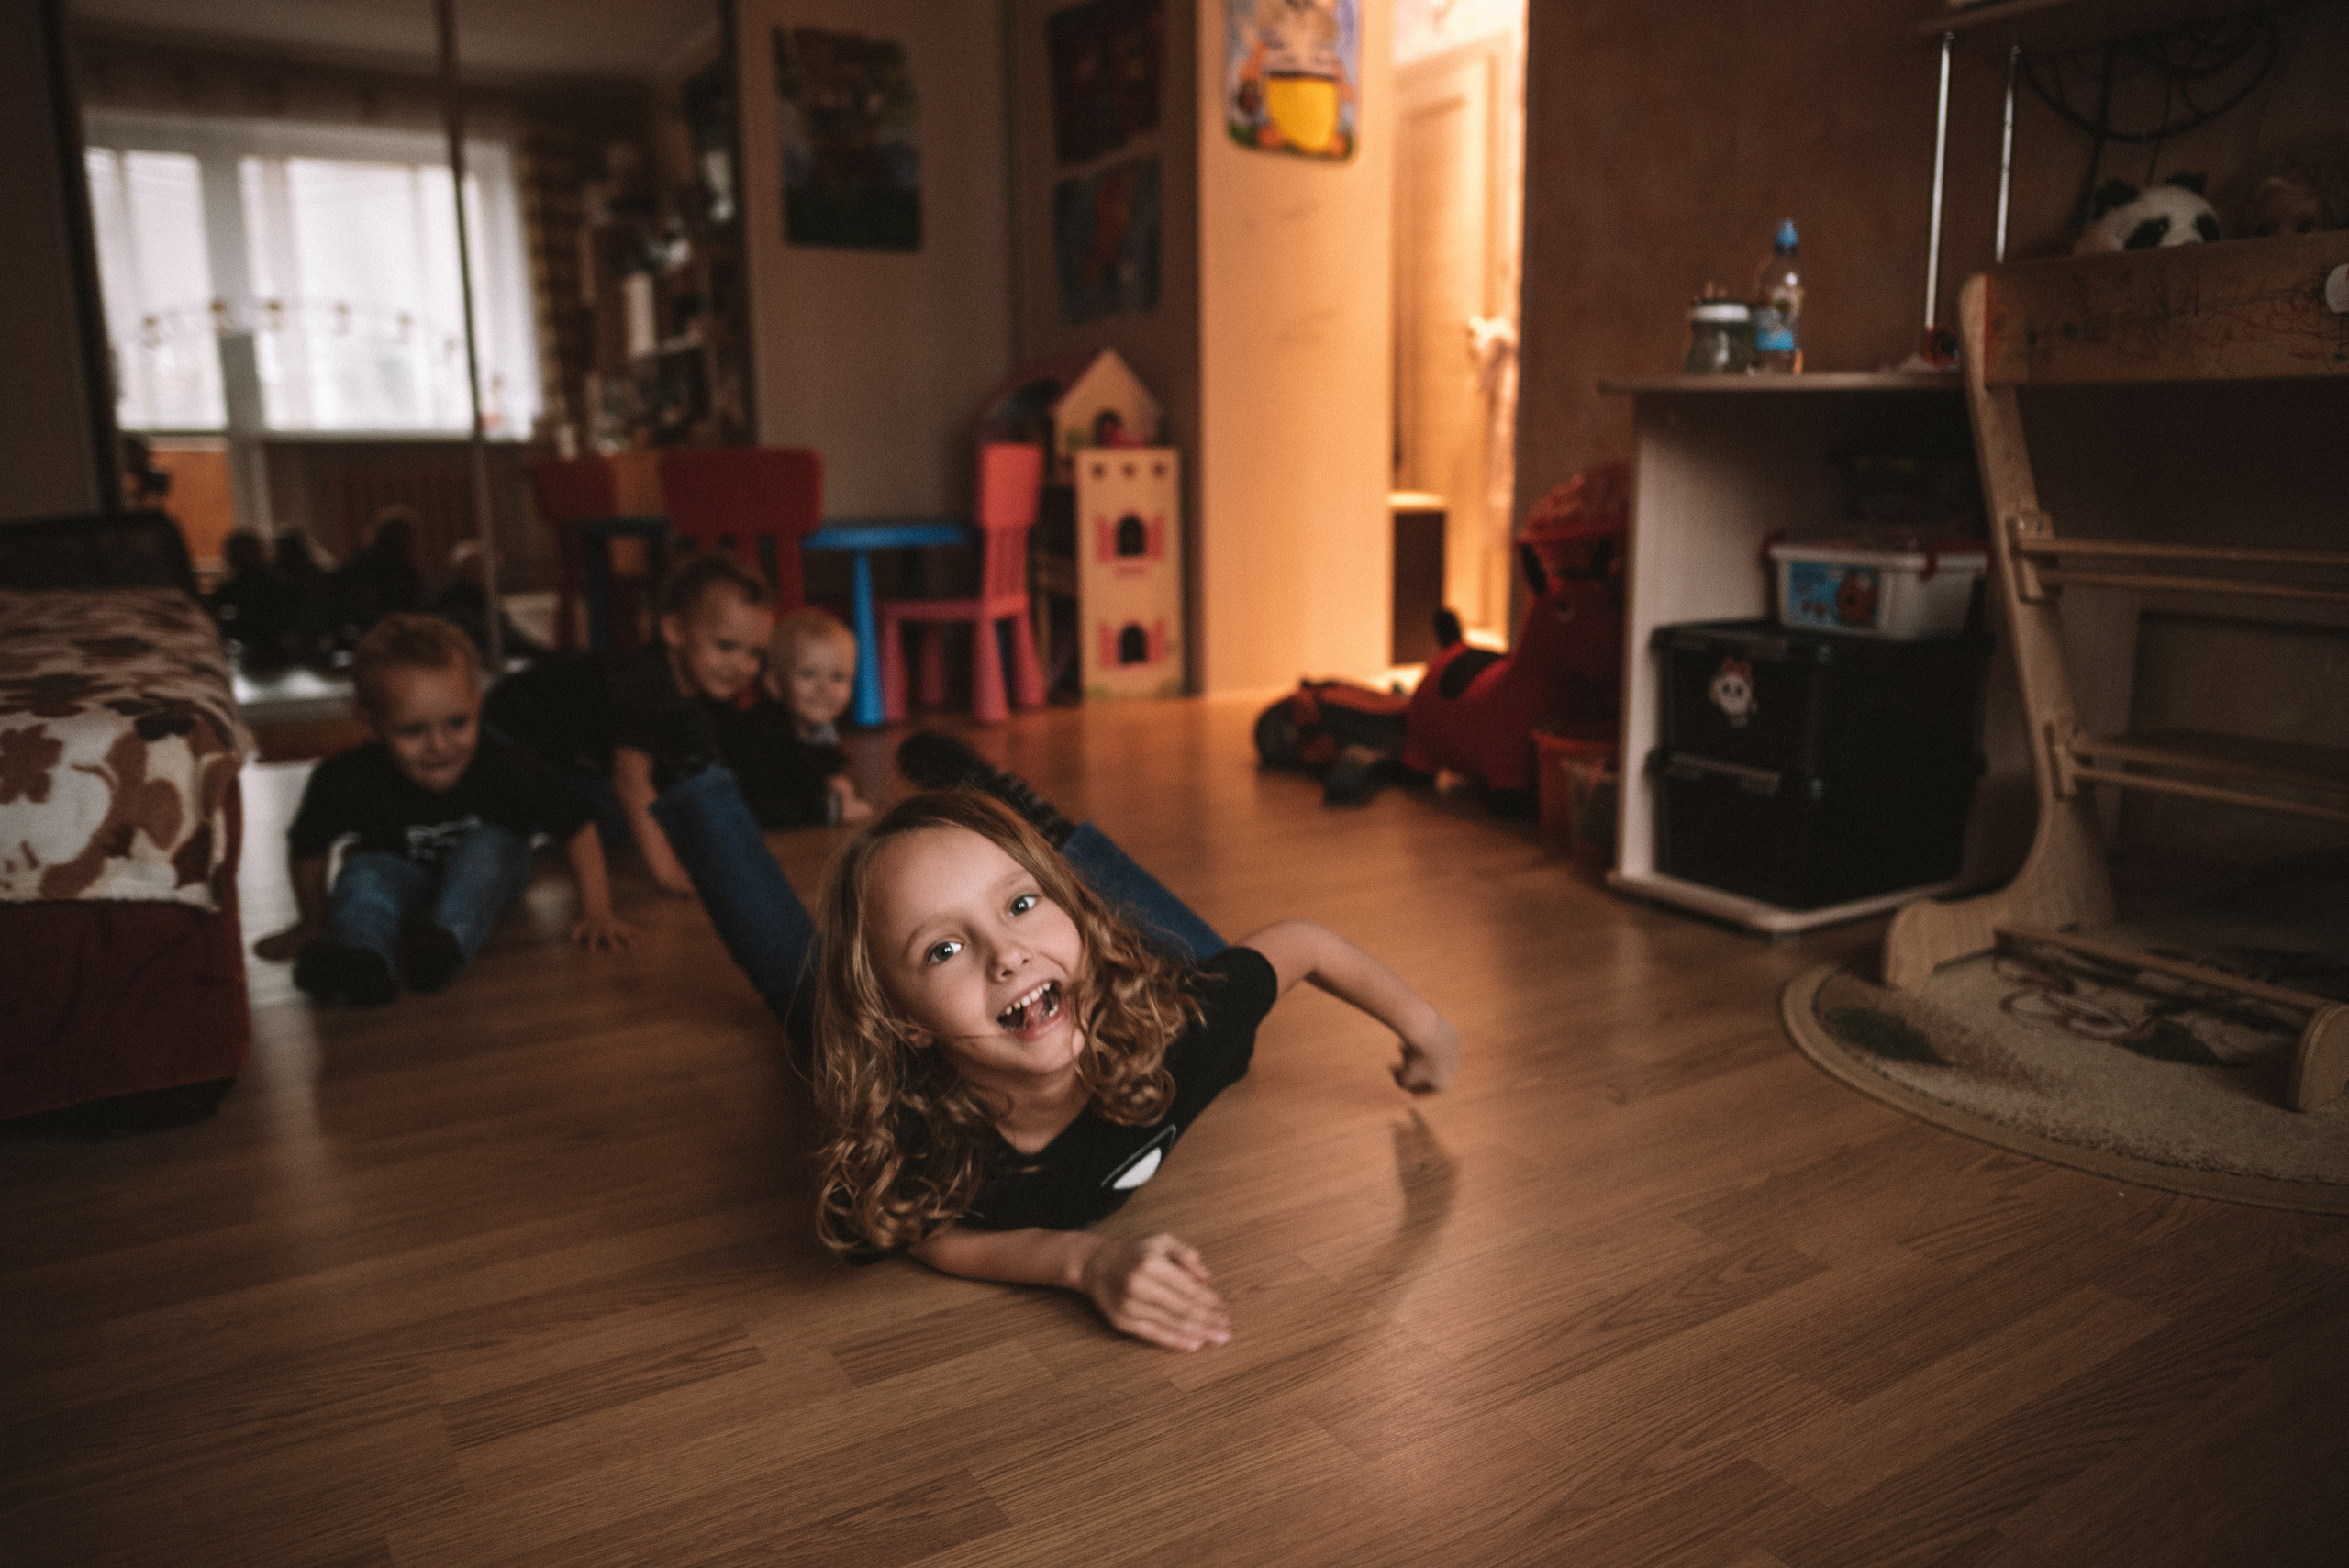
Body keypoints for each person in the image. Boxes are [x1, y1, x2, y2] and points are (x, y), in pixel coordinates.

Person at [648, 732, 1460, 1351]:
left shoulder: (1182, 1035)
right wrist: (1080, 1263)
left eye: (1020, 903)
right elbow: (932, 1232)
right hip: (921, 1024)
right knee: (806, 991)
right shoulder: (915, 1135)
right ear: (903, 1019)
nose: (1005, 953)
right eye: (943, 949)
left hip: (1128, 990)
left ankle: (1051, 840)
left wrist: (1427, 1028)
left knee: (1203, 1002)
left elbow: (1306, 942)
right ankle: (695, 783)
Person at [255, 614, 635, 1006]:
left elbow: (576, 824)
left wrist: (598, 911)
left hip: (493, 868)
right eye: (412, 731)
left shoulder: (505, 761)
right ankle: (361, 962)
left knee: (485, 847)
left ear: (477, 704)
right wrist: (311, 924)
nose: (440, 745)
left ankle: (444, 946)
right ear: (371, 722)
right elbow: (308, 848)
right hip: (402, 874)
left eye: (457, 723)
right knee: (363, 872)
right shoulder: (343, 779)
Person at [484, 551, 775, 894]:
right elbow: (631, 782)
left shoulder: (699, 691)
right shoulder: (646, 686)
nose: (741, 665)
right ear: (674, 630)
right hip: (510, 732)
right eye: (726, 646)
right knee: (623, 818)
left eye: (754, 653)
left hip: (570, 748)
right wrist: (669, 873)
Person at [723, 607, 874, 828]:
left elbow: (825, 771)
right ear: (774, 683)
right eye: (808, 674)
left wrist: (841, 786)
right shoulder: (760, 735)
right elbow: (760, 808)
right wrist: (830, 810)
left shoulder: (820, 729)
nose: (824, 687)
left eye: (838, 677)